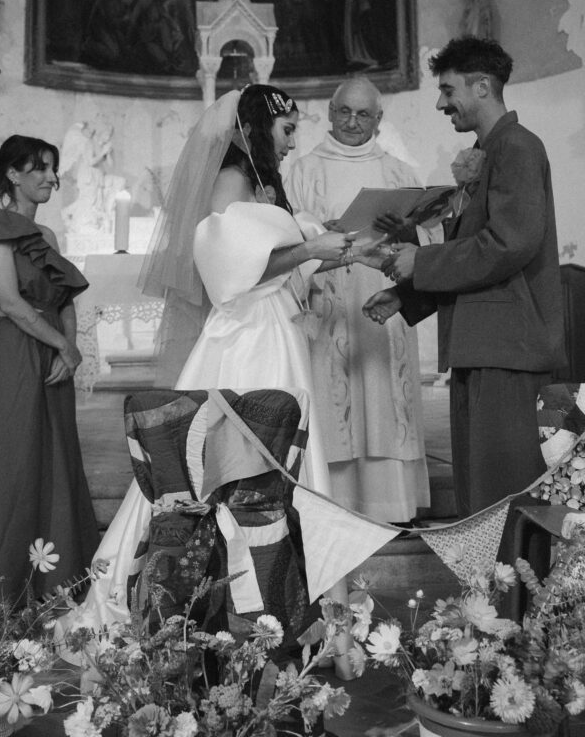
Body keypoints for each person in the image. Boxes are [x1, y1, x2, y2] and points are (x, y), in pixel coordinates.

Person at [65, 85, 388, 670]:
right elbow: (231, 272)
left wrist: (347, 250)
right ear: (257, 128)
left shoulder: (267, 185)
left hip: (276, 329)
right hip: (246, 337)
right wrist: (310, 246)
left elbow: (289, 258)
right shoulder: (230, 179)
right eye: (288, 130)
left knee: (286, 455)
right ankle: (222, 595)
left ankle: (295, 596)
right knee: (235, 461)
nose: (294, 142)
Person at [363, 37, 565, 569]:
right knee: (480, 496)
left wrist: (420, 264)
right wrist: (407, 292)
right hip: (484, 347)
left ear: (482, 86)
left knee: (506, 496)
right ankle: (491, 610)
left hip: (510, 349)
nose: (440, 103)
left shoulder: (518, 146)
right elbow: (475, 253)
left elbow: (510, 244)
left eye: (448, 89)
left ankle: (517, 612)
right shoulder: (490, 152)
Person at [0, 135, 99, 604]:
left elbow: (66, 298)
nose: (50, 178)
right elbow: (12, 303)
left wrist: (69, 346)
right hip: (15, 356)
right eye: (38, 168)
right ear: (12, 174)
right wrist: (63, 345)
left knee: (53, 461)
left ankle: (53, 590)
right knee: (14, 464)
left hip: (53, 358)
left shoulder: (48, 238)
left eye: (52, 169)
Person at [287, 78, 430, 523]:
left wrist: (407, 234)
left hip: (382, 300)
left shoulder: (401, 175)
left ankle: (391, 508)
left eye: (363, 114)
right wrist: (314, 233)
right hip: (327, 305)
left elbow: (424, 244)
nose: (352, 122)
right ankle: (336, 507)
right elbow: (283, 243)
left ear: (379, 119)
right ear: (329, 112)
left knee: (385, 399)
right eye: (344, 111)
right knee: (333, 404)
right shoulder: (301, 171)